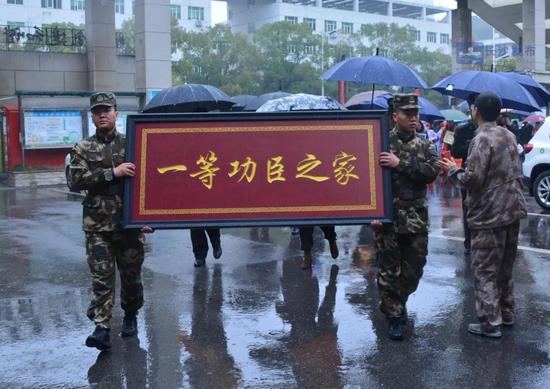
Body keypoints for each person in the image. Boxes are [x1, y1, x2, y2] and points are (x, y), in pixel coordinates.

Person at [71, 92, 153, 351]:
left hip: (128, 224)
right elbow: (75, 181)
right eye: (97, 111)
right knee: (101, 278)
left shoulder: (133, 143)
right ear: (92, 117)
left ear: (117, 113)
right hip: (97, 226)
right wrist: (111, 173)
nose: (102, 114)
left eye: (107, 110)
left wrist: (148, 217)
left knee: (131, 276)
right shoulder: (82, 148)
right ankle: (102, 327)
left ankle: (130, 314)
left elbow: (150, 183)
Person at [441, 92, 527, 339]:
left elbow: (474, 180)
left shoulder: (481, 140)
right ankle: (507, 313)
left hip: (489, 214)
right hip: (512, 211)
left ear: (475, 111)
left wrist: (454, 171)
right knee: (505, 268)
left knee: (485, 270)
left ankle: (490, 323)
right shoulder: (509, 135)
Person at [370, 94, 440, 340]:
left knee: (414, 269)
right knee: (389, 269)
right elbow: (367, 180)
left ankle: (397, 301)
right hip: (388, 217)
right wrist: (372, 213)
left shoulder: (425, 144)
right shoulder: (380, 143)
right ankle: (394, 316)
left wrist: (400, 163)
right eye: (407, 114)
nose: (413, 118)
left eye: (416, 114)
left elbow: (431, 172)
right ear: (394, 116)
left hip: (415, 217)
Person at [450, 93, 478, 256]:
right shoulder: (463, 130)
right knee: (468, 208)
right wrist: (470, 147)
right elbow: (455, 151)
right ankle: (469, 242)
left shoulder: (497, 130)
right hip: (468, 174)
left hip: (488, 176)